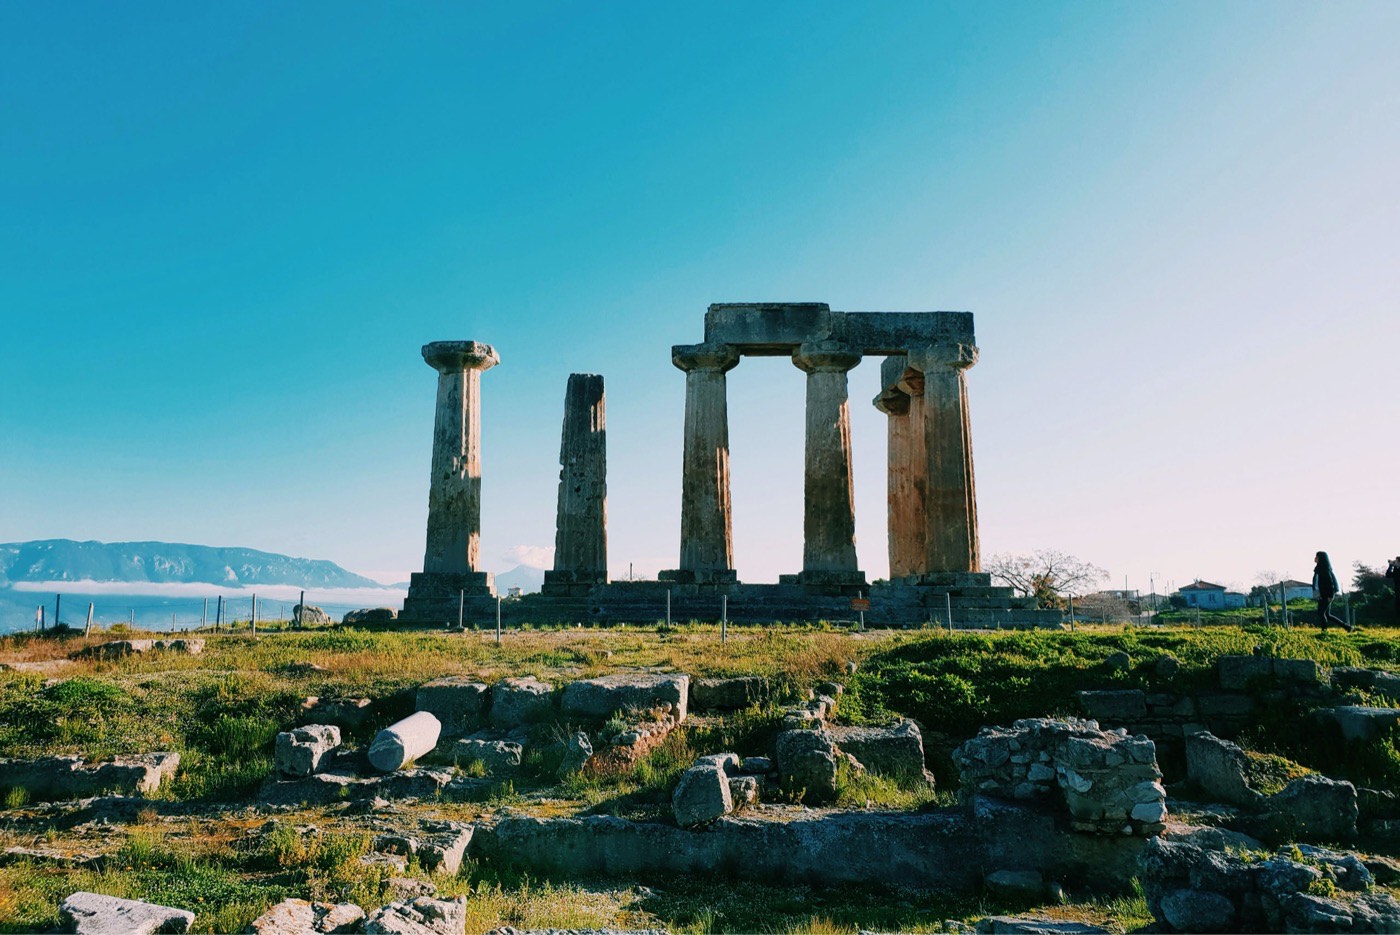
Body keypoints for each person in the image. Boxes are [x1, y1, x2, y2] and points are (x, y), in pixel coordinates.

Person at [1313, 550, 1351, 631]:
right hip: (1323, 595)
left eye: (1316, 557)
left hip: (1327, 595)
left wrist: (1330, 596)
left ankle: (1324, 631)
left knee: (1321, 613)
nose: (1315, 558)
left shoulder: (1324, 569)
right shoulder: (1319, 568)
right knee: (1327, 614)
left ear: (1320, 558)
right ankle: (1347, 627)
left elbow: (1330, 583)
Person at [1387, 556, 1400, 621]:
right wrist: (1391, 566)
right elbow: (1388, 575)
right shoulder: (1396, 569)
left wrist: (1393, 565)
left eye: (1396, 561)